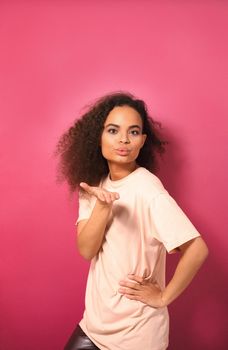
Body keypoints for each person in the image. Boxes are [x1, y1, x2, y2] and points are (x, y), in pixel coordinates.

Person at [55, 91, 209, 350]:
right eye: (113, 130)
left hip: (136, 336)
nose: (124, 139)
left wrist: (162, 298)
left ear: (142, 141)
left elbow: (197, 250)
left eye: (134, 132)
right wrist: (102, 208)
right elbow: (86, 250)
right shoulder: (93, 185)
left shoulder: (148, 189)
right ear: (98, 137)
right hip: (93, 327)